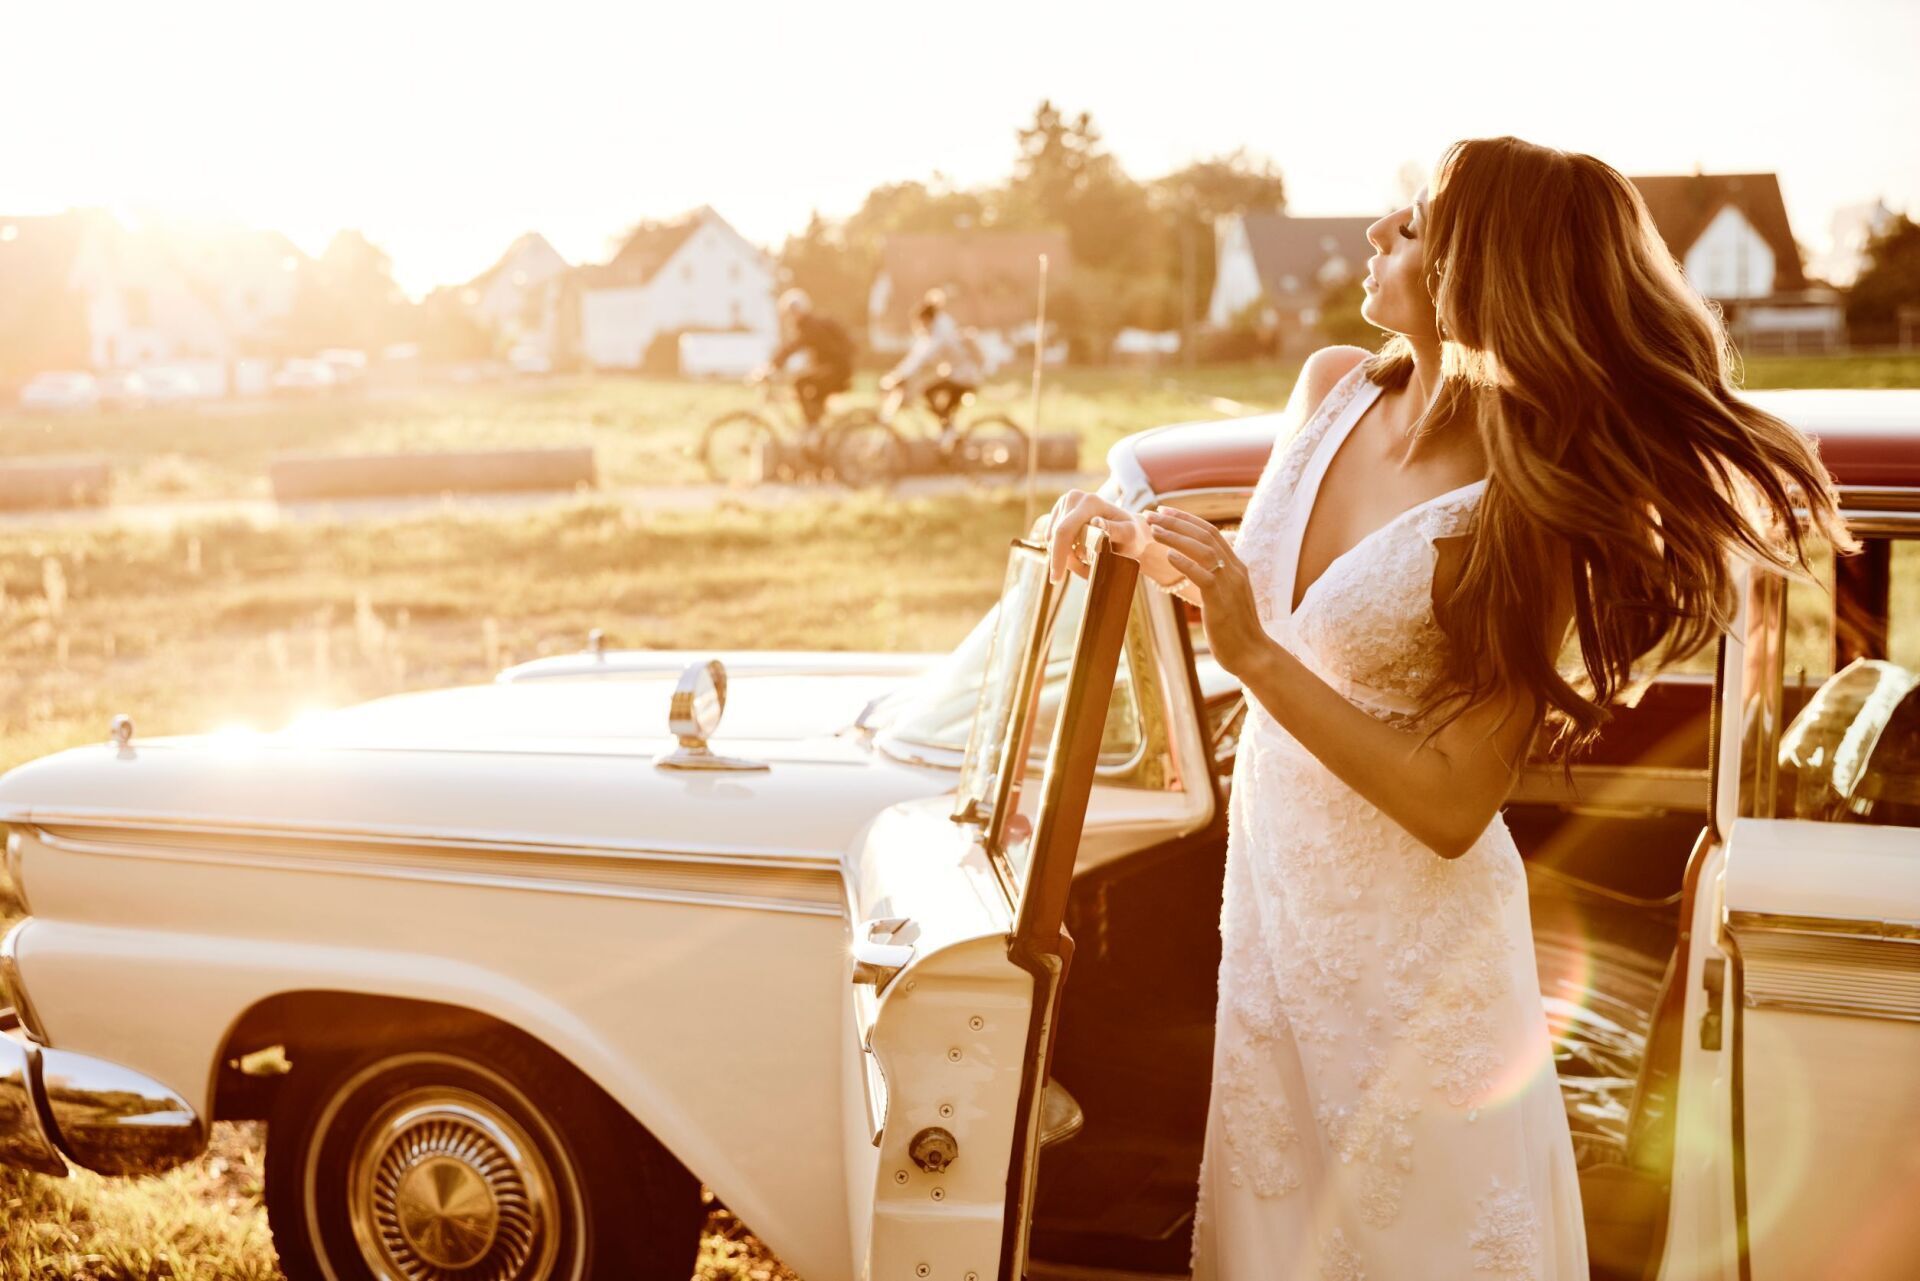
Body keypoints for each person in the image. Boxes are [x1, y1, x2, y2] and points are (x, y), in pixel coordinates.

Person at [1046, 137, 1848, 1280]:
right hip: (1276, 902)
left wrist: (1249, 657)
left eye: (1413, 224)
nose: (1377, 233)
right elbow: (1285, 597)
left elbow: (1453, 802)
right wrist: (1136, 541)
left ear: (1482, 271)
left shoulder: (1527, 504)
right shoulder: (1332, 386)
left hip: (1414, 949)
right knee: (1279, 1222)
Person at [878, 289, 985, 425]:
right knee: (936, 400)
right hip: (959, 375)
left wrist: (899, 376)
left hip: (963, 377)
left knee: (928, 392)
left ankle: (947, 432)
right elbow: (916, 355)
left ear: (926, 320)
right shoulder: (940, 328)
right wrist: (898, 374)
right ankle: (947, 430)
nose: (919, 328)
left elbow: (919, 358)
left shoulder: (939, 336)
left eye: (920, 324)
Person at [759, 288, 854, 427]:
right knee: (809, 391)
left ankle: (811, 426)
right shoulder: (811, 324)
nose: (790, 317)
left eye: (792, 312)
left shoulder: (810, 327)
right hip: (835, 369)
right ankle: (816, 428)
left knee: (800, 382)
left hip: (836, 370)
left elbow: (792, 346)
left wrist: (772, 365)